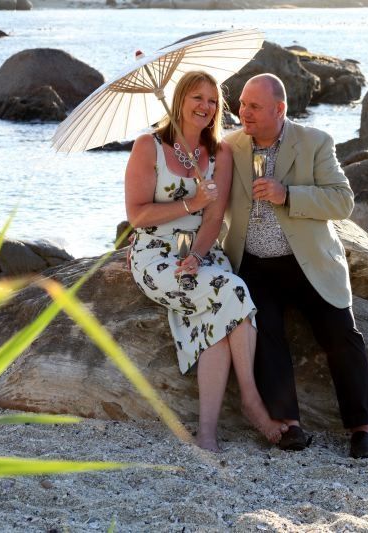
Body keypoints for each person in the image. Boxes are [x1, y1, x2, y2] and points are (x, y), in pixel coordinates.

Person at [124, 70, 286, 452]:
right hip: (154, 251)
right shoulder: (148, 146)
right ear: (180, 100)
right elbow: (136, 216)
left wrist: (197, 255)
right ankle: (251, 400)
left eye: (213, 101)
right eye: (197, 97)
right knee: (232, 289)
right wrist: (189, 203)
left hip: (201, 247)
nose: (205, 107)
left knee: (216, 310)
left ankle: (207, 434)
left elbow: (214, 219)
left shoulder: (220, 153)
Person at [222, 73, 368, 459]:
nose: (244, 112)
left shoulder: (314, 142)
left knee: (340, 334)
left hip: (306, 263)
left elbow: (342, 202)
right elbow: (201, 194)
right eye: (241, 103)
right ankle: (288, 424)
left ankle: (362, 429)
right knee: (267, 333)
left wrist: (287, 194)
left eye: (254, 106)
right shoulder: (230, 146)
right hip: (253, 264)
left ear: (280, 109)